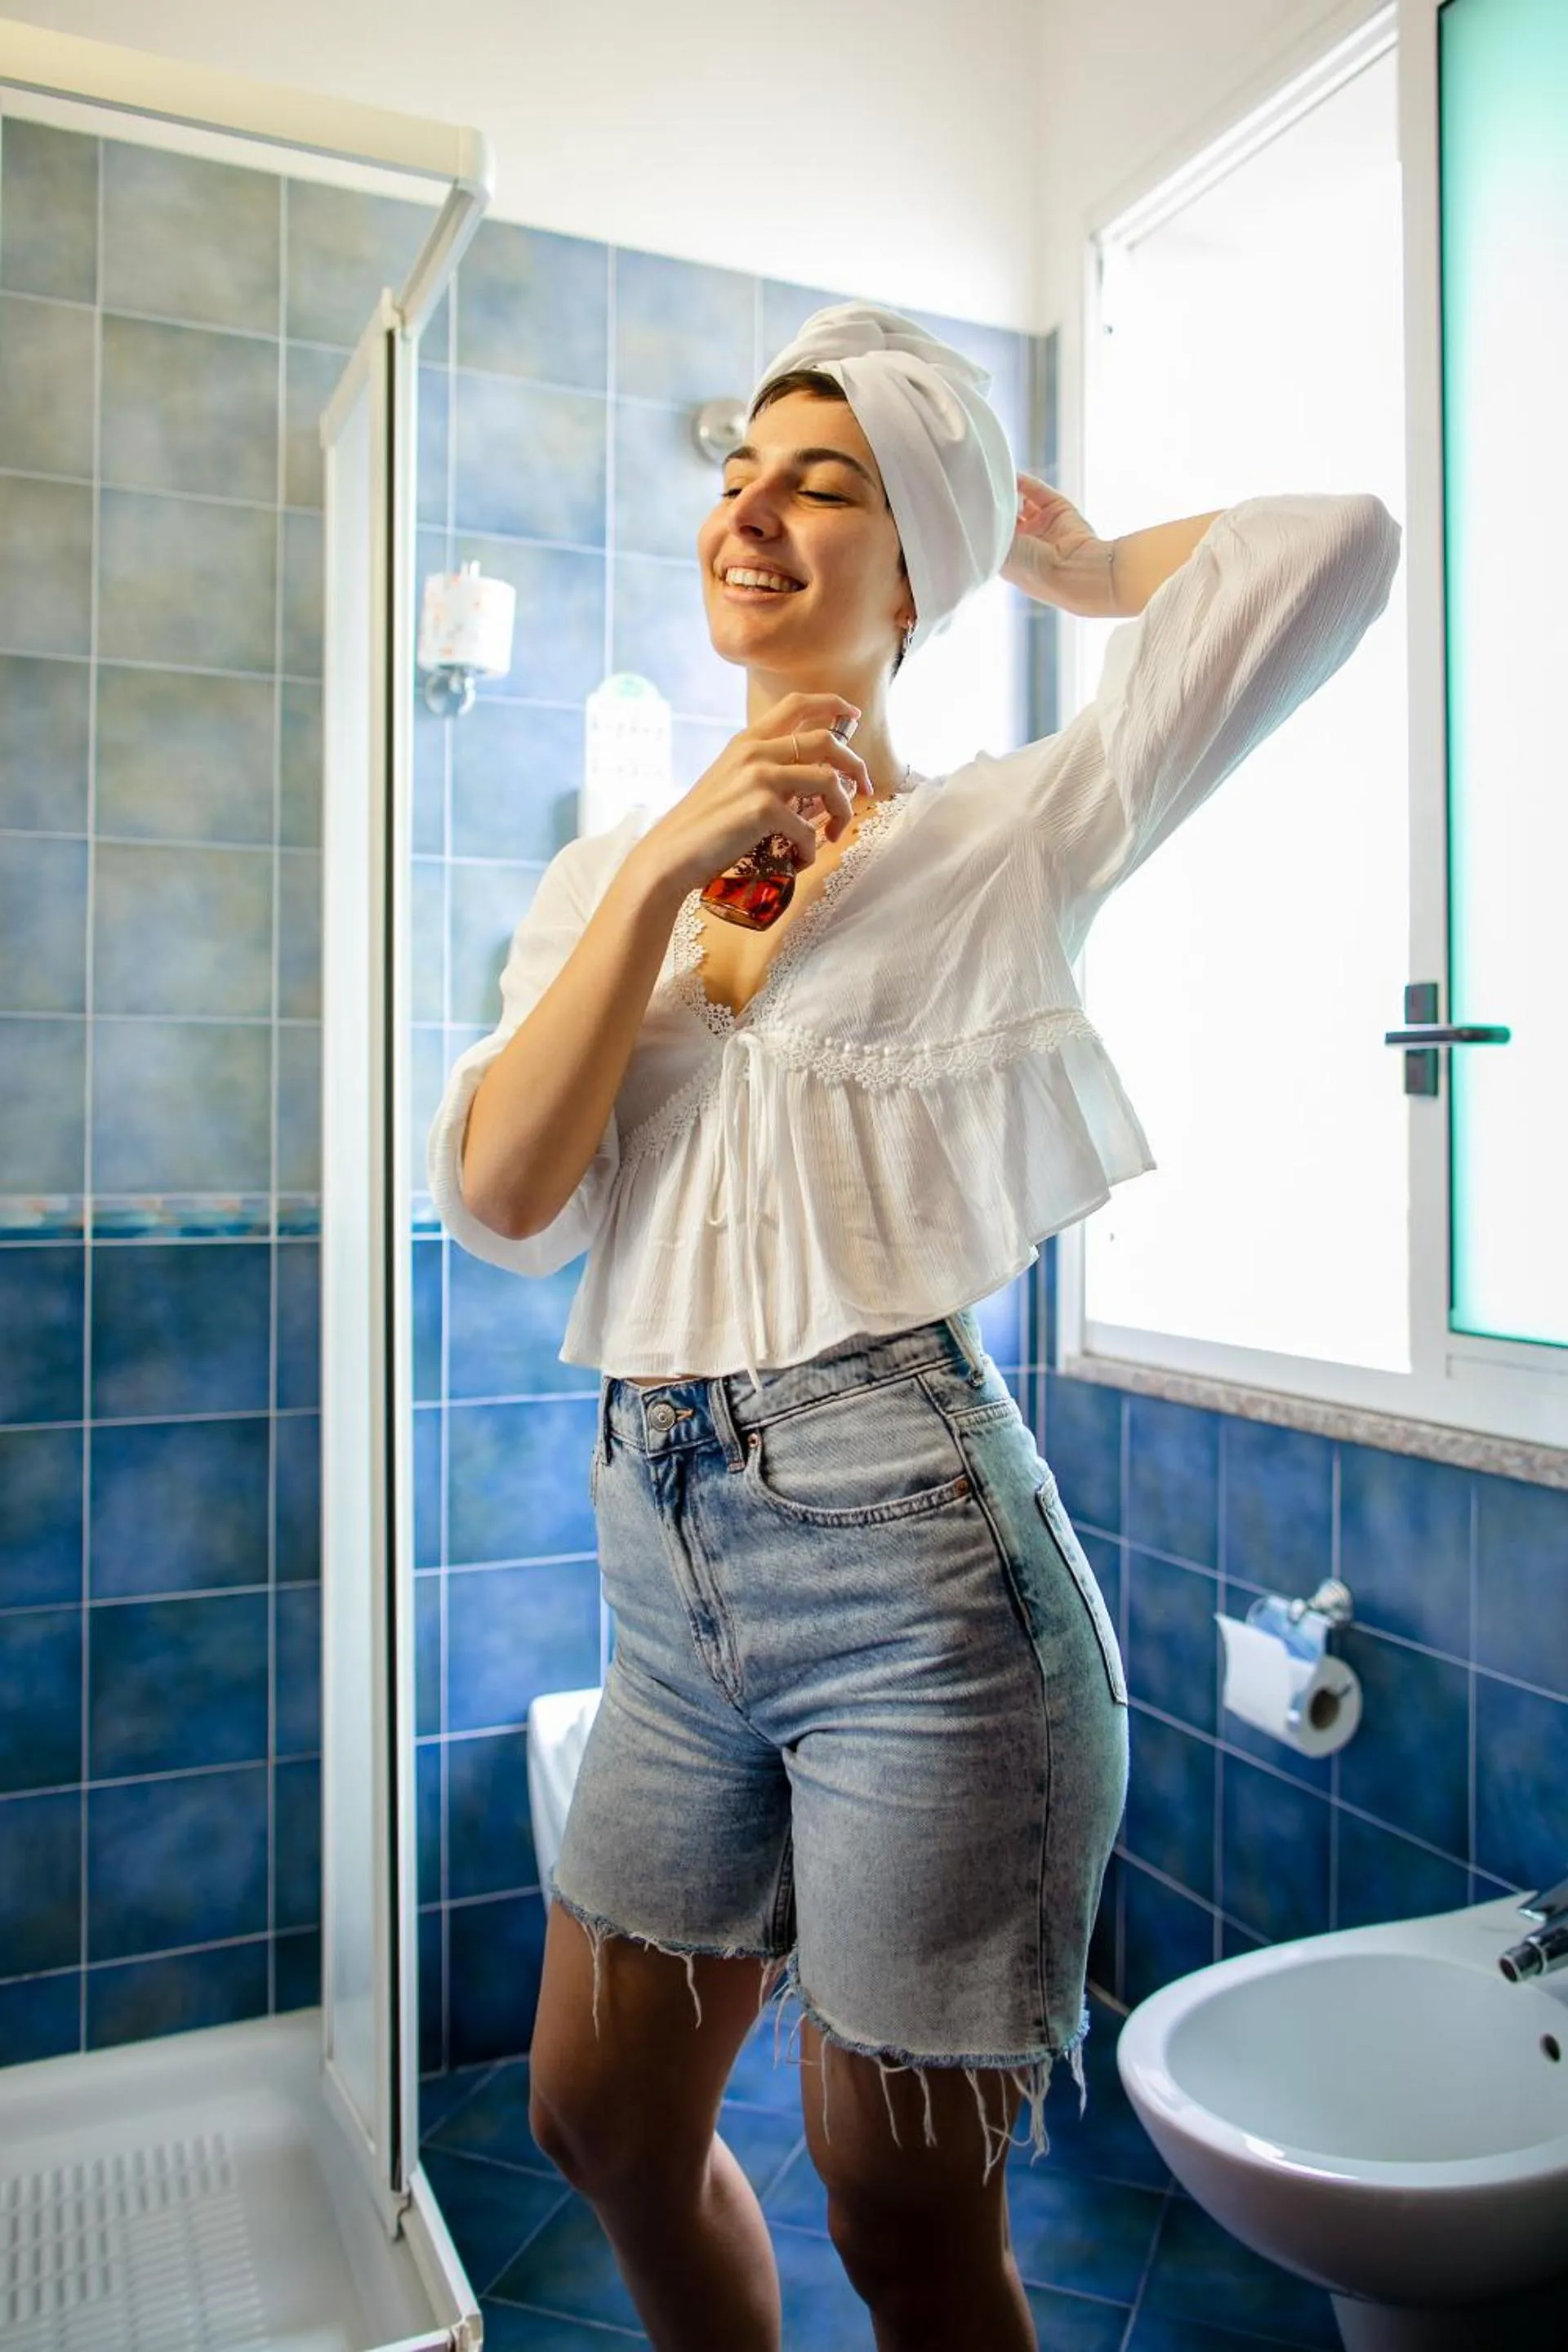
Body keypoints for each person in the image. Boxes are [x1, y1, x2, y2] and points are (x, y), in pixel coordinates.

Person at [427, 301, 1402, 2352]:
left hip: (925, 1583)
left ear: (914, 568)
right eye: (736, 478)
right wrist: (664, 872)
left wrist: (1079, 561)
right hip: (660, 1573)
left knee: (898, 2208)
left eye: (826, 483)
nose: (752, 516)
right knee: (596, 2115)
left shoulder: (1003, 837)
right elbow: (505, 1203)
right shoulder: (613, 872)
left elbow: (1338, 541)